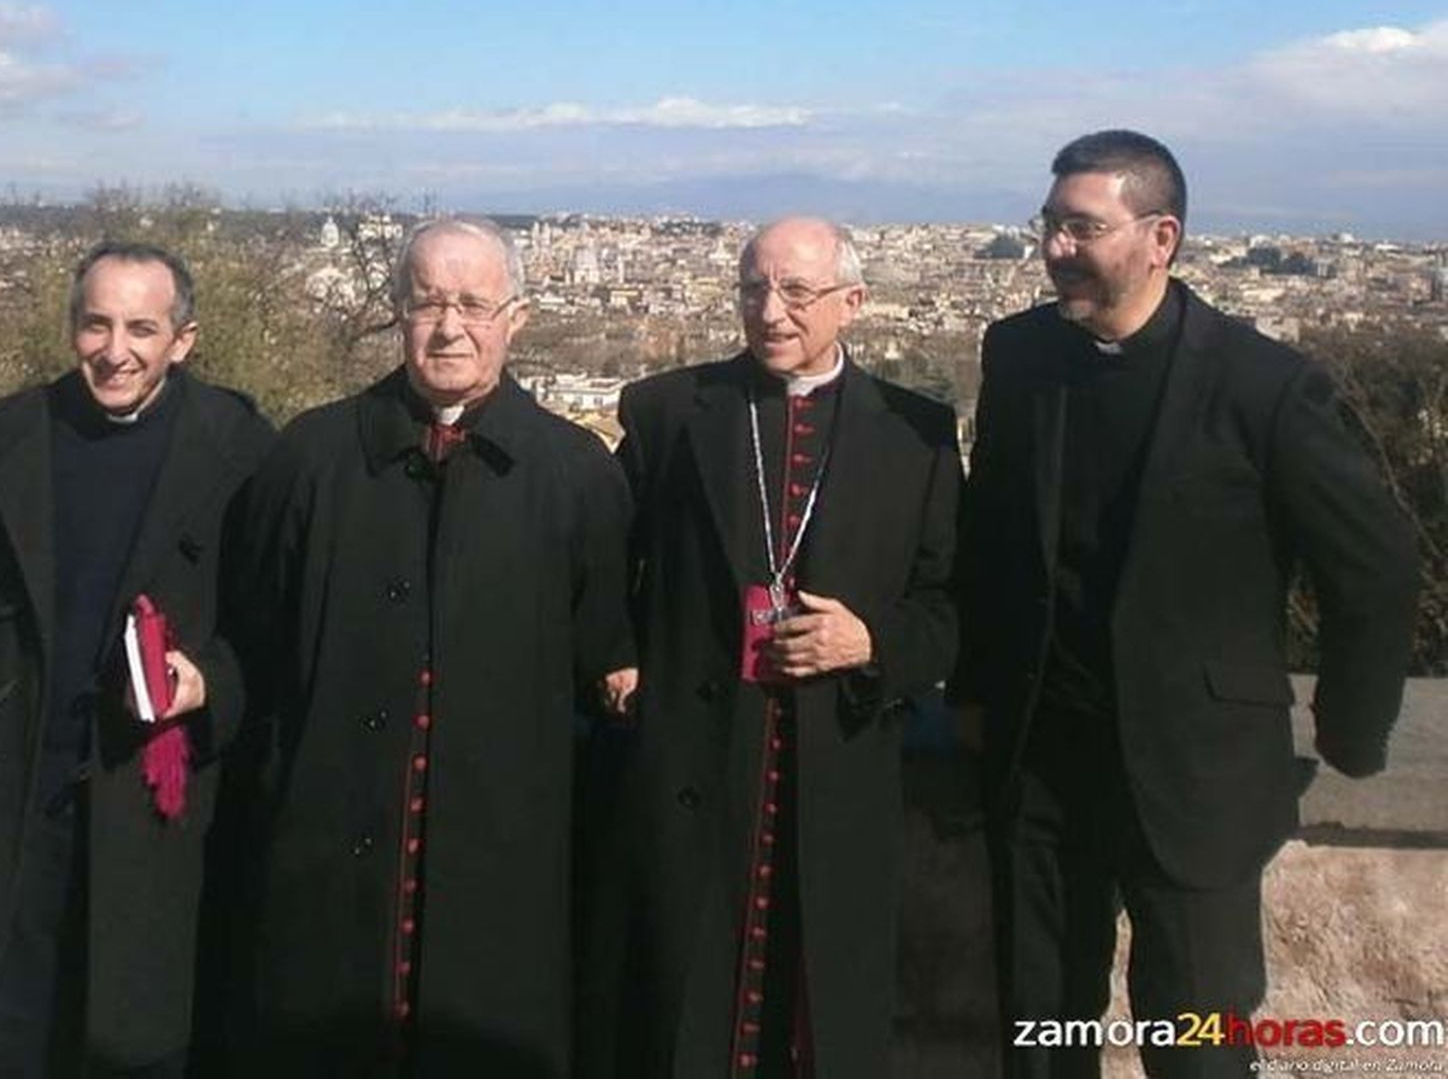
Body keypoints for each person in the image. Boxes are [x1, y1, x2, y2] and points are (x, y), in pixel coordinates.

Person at [950, 130, 1421, 1078]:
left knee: (1198, 1037)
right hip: (1045, 756)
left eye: (1082, 228)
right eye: (1050, 225)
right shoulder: (1021, 355)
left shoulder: (1264, 385)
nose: (1054, 249)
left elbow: (1374, 564)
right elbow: (992, 538)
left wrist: (1351, 730)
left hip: (1197, 770)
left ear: (1160, 238)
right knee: (1040, 1026)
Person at [232, 216, 632, 1075]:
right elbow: (256, 647)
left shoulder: (578, 473)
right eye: (427, 303)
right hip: (323, 867)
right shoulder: (309, 458)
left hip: (505, 874)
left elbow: (606, 657)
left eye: (474, 304)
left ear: (515, 318)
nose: (449, 326)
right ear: (396, 312)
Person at [588, 216, 962, 1076]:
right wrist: (612, 655)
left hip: (836, 761)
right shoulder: (668, 410)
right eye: (754, 287)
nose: (771, 310)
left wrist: (871, 640)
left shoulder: (918, 433)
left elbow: (950, 606)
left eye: (797, 291)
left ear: (853, 302)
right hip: (692, 759)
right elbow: (604, 561)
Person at [0, 241, 275, 1075]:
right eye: (96, 324)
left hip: (151, 794)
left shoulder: (240, 445)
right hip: (20, 785)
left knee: (136, 1036)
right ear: (72, 327)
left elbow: (271, 623)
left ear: (183, 340)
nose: (116, 350)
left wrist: (210, 680)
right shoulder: (10, 434)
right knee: (9, 1031)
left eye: (142, 328)